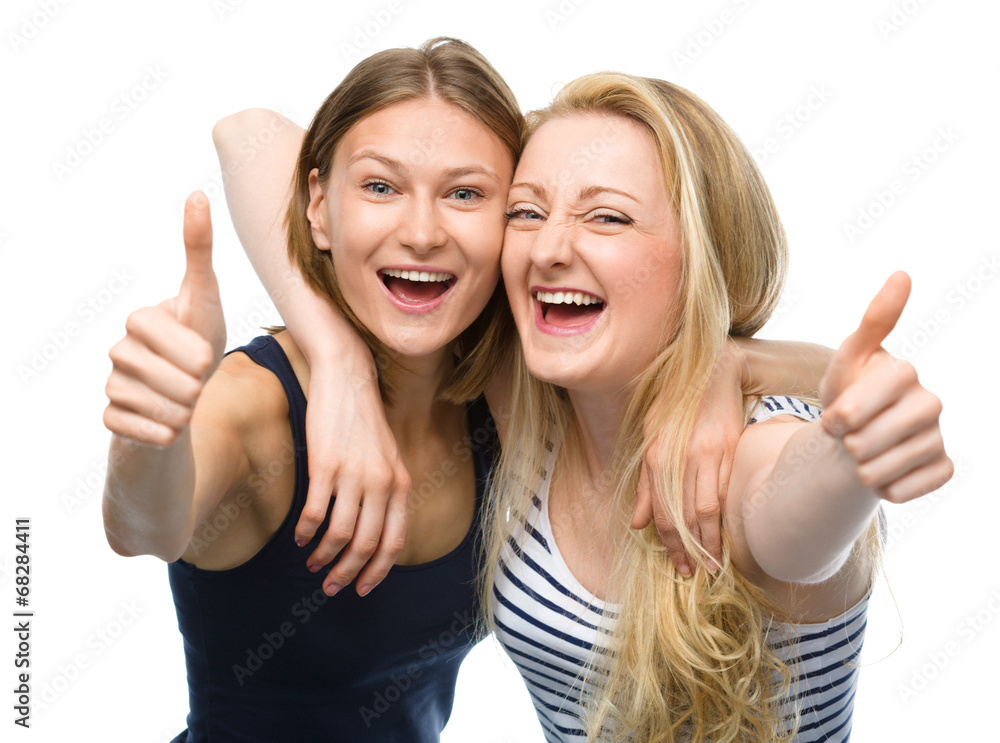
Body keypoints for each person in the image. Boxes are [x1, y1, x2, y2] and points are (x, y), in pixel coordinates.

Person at [481, 73, 952, 742]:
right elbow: (278, 151)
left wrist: (850, 455)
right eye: (526, 212)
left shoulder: (746, 450)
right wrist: (338, 358)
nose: (548, 249)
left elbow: (792, 507)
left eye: (607, 216)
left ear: (706, 256)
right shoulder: (532, 408)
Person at [101, 38, 521, 742]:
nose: (421, 232)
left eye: (465, 193)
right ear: (318, 207)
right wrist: (149, 436)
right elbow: (143, 526)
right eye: (381, 187)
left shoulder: (507, 399)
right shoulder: (252, 403)